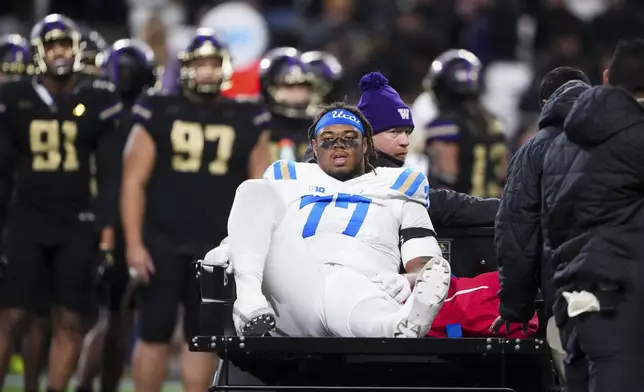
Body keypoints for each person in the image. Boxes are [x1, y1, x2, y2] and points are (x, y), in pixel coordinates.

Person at [121, 28, 271, 392]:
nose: (206, 72)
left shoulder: (248, 115)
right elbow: (132, 180)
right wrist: (134, 244)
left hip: (217, 244)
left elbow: (261, 190)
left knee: (203, 337)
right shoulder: (158, 108)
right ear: (186, 67)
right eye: (199, 64)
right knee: (154, 331)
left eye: (212, 64)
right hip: (161, 238)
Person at [228, 101, 451, 338]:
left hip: (365, 283)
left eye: (348, 138)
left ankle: (400, 325)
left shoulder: (400, 185)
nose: (338, 146)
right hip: (292, 288)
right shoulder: (288, 178)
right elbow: (253, 223)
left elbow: (426, 265)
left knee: (344, 281)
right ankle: (249, 299)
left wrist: (407, 280)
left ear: (366, 144)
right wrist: (233, 250)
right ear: (314, 146)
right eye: (328, 138)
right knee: (252, 189)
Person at [0, 14, 122, 392]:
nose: (58, 52)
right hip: (26, 218)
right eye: (51, 44)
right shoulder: (14, 98)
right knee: (13, 315)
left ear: (76, 49)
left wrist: (104, 230)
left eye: (64, 44)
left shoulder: (97, 99)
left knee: (70, 318)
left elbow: (108, 173)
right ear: (37, 52)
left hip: (76, 221)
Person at [542, 38, 644, 392]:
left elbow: (542, 225)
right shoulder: (636, 137)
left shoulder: (559, 143)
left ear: (606, 78)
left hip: (575, 304)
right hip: (625, 308)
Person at [492, 67, 591, 384]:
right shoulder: (623, 141)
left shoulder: (535, 150)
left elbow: (518, 234)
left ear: (547, 103)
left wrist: (515, 308)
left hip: (567, 292)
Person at [75, 39, 158, 392]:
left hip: (111, 221)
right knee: (114, 319)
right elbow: (112, 181)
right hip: (119, 224)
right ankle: (88, 385)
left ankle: (90, 385)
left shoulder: (101, 110)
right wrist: (109, 235)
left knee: (115, 319)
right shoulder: (120, 117)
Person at [355, 72, 499, 228]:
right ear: (367, 137)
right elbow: (446, 205)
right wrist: (507, 208)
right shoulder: (378, 179)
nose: (405, 141)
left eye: (406, 132)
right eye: (394, 132)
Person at [424, 49, 508, 198]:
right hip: (494, 211)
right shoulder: (494, 123)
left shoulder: (444, 126)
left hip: (461, 214)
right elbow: (504, 177)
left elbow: (445, 181)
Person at [259, 47, 316, 161]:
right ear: (270, 87)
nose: (297, 93)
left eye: (302, 86)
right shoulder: (257, 127)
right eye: (289, 86)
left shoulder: (318, 127)